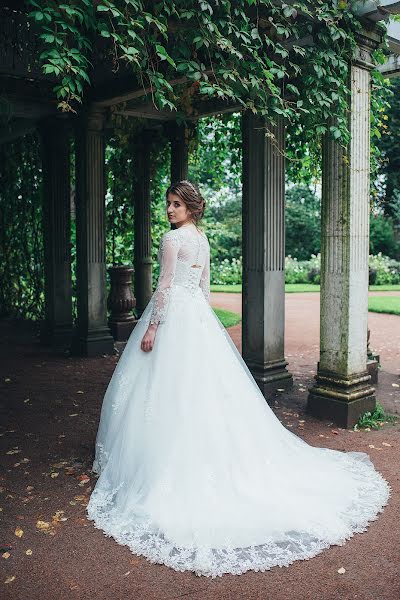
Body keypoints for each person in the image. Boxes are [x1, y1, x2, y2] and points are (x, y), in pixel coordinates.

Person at [86, 180, 391, 578]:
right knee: (203, 392)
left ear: (191, 208)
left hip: (176, 317)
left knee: (165, 391)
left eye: (176, 204)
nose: (170, 210)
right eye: (168, 204)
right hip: (195, 318)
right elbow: (204, 289)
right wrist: (202, 322)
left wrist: (152, 328)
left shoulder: (172, 240)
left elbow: (163, 287)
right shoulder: (204, 241)